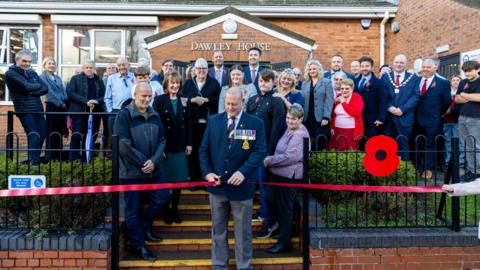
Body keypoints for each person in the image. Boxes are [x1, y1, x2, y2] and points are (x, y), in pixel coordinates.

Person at [199, 87, 267, 270]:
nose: (230, 107)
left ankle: (244, 266)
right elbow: (203, 151)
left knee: (243, 232)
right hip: (217, 188)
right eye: (227, 103)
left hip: (242, 188)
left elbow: (259, 151)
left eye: (234, 104)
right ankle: (219, 264)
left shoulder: (256, 123)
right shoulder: (213, 121)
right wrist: (207, 173)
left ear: (242, 102)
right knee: (218, 231)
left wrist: (243, 172)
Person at [114, 82, 170, 261]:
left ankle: (145, 225)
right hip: (132, 173)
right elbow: (123, 145)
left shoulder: (155, 115)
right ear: (135, 95)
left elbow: (162, 140)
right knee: (132, 210)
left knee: (163, 197)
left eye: (149, 96)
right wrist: (143, 163)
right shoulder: (124, 116)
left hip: (154, 169)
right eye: (143, 96)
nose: (147, 99)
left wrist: (153, 161)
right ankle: (139, 246)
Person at [263, 104, 310, 254]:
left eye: (293, 119)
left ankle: (284, 242)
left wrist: (269, 161)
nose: (289, 121)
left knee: (285, 209)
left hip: (289, 177)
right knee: (269, 197)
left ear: (301, 119)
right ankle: (284, 227)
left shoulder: (300, 134)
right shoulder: (290, 129)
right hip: (278, 174)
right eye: (288, 118)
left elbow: (290, 157)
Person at [246, 69, 286, 239]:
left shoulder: (276, 101)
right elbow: (245, 124)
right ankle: (262, 213)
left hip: (265, 153)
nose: (263, 84)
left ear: (273, 83)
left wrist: (269, 154)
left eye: (266, 81)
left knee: (265, 188)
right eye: (261, 81)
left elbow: (277, 129)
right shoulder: (252, 100)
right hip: (251, 150)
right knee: (251, 185)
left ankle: (269, 220)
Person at [153, 72, 192, 224]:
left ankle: (174, 209)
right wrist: (158, 147)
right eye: (172, 83)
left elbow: (189, 123)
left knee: (178, 181)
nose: (175, 86)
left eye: (177, 83)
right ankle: (165, 210)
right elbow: (156, 125)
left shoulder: (184, 100)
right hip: (165, 146)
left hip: (180, 146)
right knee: (165, 181)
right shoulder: (159, 100)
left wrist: (189, 143)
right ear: (166, 85)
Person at [5, 49, 48, 165]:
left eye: (29, 62)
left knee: (43, 134)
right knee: (34, 135)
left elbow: (45, 88)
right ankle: (34, 164)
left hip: (38, 108)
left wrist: (32, 91)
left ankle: (33, 160)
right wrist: (35, 87)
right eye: (24, 61)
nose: (27, 64)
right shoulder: (10, 73)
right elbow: (27, 86)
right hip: (24, 109)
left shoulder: (31, 72)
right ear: (17, 60)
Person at [182, 58, 221, 182]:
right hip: (191, 123)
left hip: (208, 123)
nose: (201, 71)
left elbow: (219, 100)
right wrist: (192, 100)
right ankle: (193, 179)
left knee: (205, 151)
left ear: (207, 69)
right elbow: (181, 99)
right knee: (192, 151)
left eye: (204, 68)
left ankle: (206, 179)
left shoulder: (214, 83)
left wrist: (207, 100)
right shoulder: (188, 83)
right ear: (195, 69)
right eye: (199, 68)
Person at [413, 58, 451, 179]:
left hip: (433, 120)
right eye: (424, 66)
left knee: (430, 145)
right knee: (417, 143)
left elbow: (446, 102)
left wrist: (438, 113)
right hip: (415, 119)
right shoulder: (415, 81)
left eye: (428, 67)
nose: (425, 69)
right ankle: (416, 166)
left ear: (435, 68)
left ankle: (428, 168)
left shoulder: (443, 83)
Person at [381, 54, 420, 161]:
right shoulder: (385, 77)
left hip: (405, 117)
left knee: (404, 145)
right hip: (388, 117)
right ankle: (388, 171)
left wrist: (402, 109)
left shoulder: (414, 78)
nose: (399, 65)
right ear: (393, 63)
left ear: (406, 64)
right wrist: (389, 107)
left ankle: (405, 171)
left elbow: (416, 96)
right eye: (397, 62)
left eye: (401, 63)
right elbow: (382, 96)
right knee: (388, 145)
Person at [66, 60, 105, 161]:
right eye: (86, 67)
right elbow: (71, 93)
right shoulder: (75, 79)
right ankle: (73, 160)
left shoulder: (99, 80)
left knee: (90, 136)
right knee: (77, 135)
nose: (89, 69)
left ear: (94, 69)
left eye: (91, 67)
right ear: (83, 68)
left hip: (94, 113)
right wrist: (86, 101)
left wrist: (96, 101)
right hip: (79, 112)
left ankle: (86, 159)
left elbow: (104, 96)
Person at [39, 56, 68, 161]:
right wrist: (60, 103)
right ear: (45, 65)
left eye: (53, 63)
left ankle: (58, 156)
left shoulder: (58, 77)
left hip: (62, 107)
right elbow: (48, 92)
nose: (51, 65)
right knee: (51, 131)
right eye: (49, 63)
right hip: (53, 106)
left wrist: (66, 101)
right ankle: (50, 158)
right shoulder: (42, 77)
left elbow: (63, 91)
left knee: (59, 131)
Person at [301, 59, 335, 150]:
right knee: (307, 141)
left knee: (320, 140)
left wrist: (326, 117)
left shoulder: (326, 82)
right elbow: (302, 100)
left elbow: (329, 100)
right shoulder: (304, 83)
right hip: (307, 118)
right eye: (310, 69)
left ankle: (320, 160)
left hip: (321, 118)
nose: (312, 71)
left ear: (319, 69)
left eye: (314, 69)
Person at [455, 60, 480, 181]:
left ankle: (478, 172)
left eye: (470, 71)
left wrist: (464, 95)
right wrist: (470, 97)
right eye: (465, 72)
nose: (467, 74)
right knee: (466, 146)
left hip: (476, 118)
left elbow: (479, 98)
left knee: (476, 145)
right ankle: (471, 170)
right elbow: (456, 99)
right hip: (462, 117)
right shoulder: (463, 82)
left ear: (477, 69)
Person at [354, 56, 388, 140]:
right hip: (357, 118)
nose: (364, 68)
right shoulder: (354, 81)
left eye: (367, 66)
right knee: (358, 143)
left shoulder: (379, 82)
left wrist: (380, 118)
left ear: (372, 67)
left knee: (370, 143)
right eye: (362, 66)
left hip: (372, 119)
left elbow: (383, 101)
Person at [329, 79, 364, 150]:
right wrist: (332, 126)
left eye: (347, 88)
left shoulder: (357, 97)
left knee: (350, 149)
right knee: (336, 149)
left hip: (351, 130)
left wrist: (343, 102)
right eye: (342, 88)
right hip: (337, 129)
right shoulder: (339, 95)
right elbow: (334, 114)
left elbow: (355, 113)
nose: (344, 90)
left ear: (352, 89)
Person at [104, 57, 135, 137]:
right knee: (115, 136)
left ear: (129, 66)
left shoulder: (135, 77)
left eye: (124, 65)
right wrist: (110, 111)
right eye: (119, 65)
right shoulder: (111, 78)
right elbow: (107, 97)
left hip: (131, 111)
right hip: (116, 112)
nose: (121, 67)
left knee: (130, 136)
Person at [443, 75, 465, 169]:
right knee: (447, 141)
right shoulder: (446, 92)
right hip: (446, 120)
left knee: (459, 141)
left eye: (457, 80)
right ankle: (448, 159)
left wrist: (451, 110)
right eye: (453, 80)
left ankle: (460, 161)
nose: (455, 82)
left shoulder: (462, 93)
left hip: (457, 121)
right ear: (450, 82)